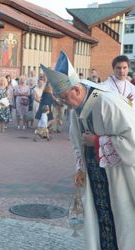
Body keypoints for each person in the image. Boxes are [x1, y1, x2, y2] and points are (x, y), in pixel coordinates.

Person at [41, 51, 135, 250]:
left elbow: (132, 140)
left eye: (64, 98)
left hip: (119, 179)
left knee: (123, 224)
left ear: (76, 89)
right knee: (100, 223)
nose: (63, 103)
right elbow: (77, 142)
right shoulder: (77, 106)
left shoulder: (108, 103)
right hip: (96, 177)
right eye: (59, 99)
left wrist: (98, 141)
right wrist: (80, 167)